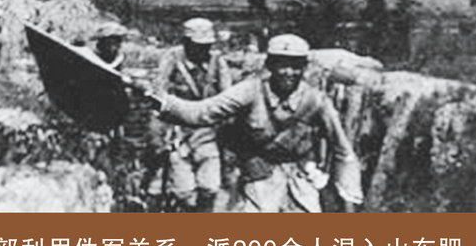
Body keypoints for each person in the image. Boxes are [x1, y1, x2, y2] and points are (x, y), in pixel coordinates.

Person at [151, 34, 363, 213]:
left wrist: (348, 195)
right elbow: (202, 113)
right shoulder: (250, 90)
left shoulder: (315, 100)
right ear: (270, 65)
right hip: (258, 180)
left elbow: (343, 150)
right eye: (282, 65)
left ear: (304, 68)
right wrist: (163, 102)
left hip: (301, 181)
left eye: (296, 66)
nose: (289, 73)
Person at [146, 17, 232, 212]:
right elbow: (158, 94)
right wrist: (158, 135)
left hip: (208, 132)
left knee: (210, 187)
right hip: (178, 133)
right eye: (198, 46)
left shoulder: (217, 62)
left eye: (206, 46)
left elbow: (228, 97)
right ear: (186, 43)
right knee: (184, 191)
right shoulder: (172, 58)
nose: (203, 51)